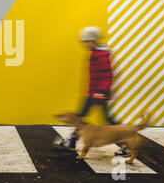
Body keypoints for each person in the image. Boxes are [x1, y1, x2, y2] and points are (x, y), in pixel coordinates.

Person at [54, 26, 129, 156]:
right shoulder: (96, 53)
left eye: (86, 41)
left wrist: (101, 91)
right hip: (95, 92)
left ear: (93, 40)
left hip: (99, 92)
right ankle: (72, 140)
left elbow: (107, 75)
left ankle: (127, 143)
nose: (84, 44)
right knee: (98, 118)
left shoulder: (101, 54)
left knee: (100, 119)